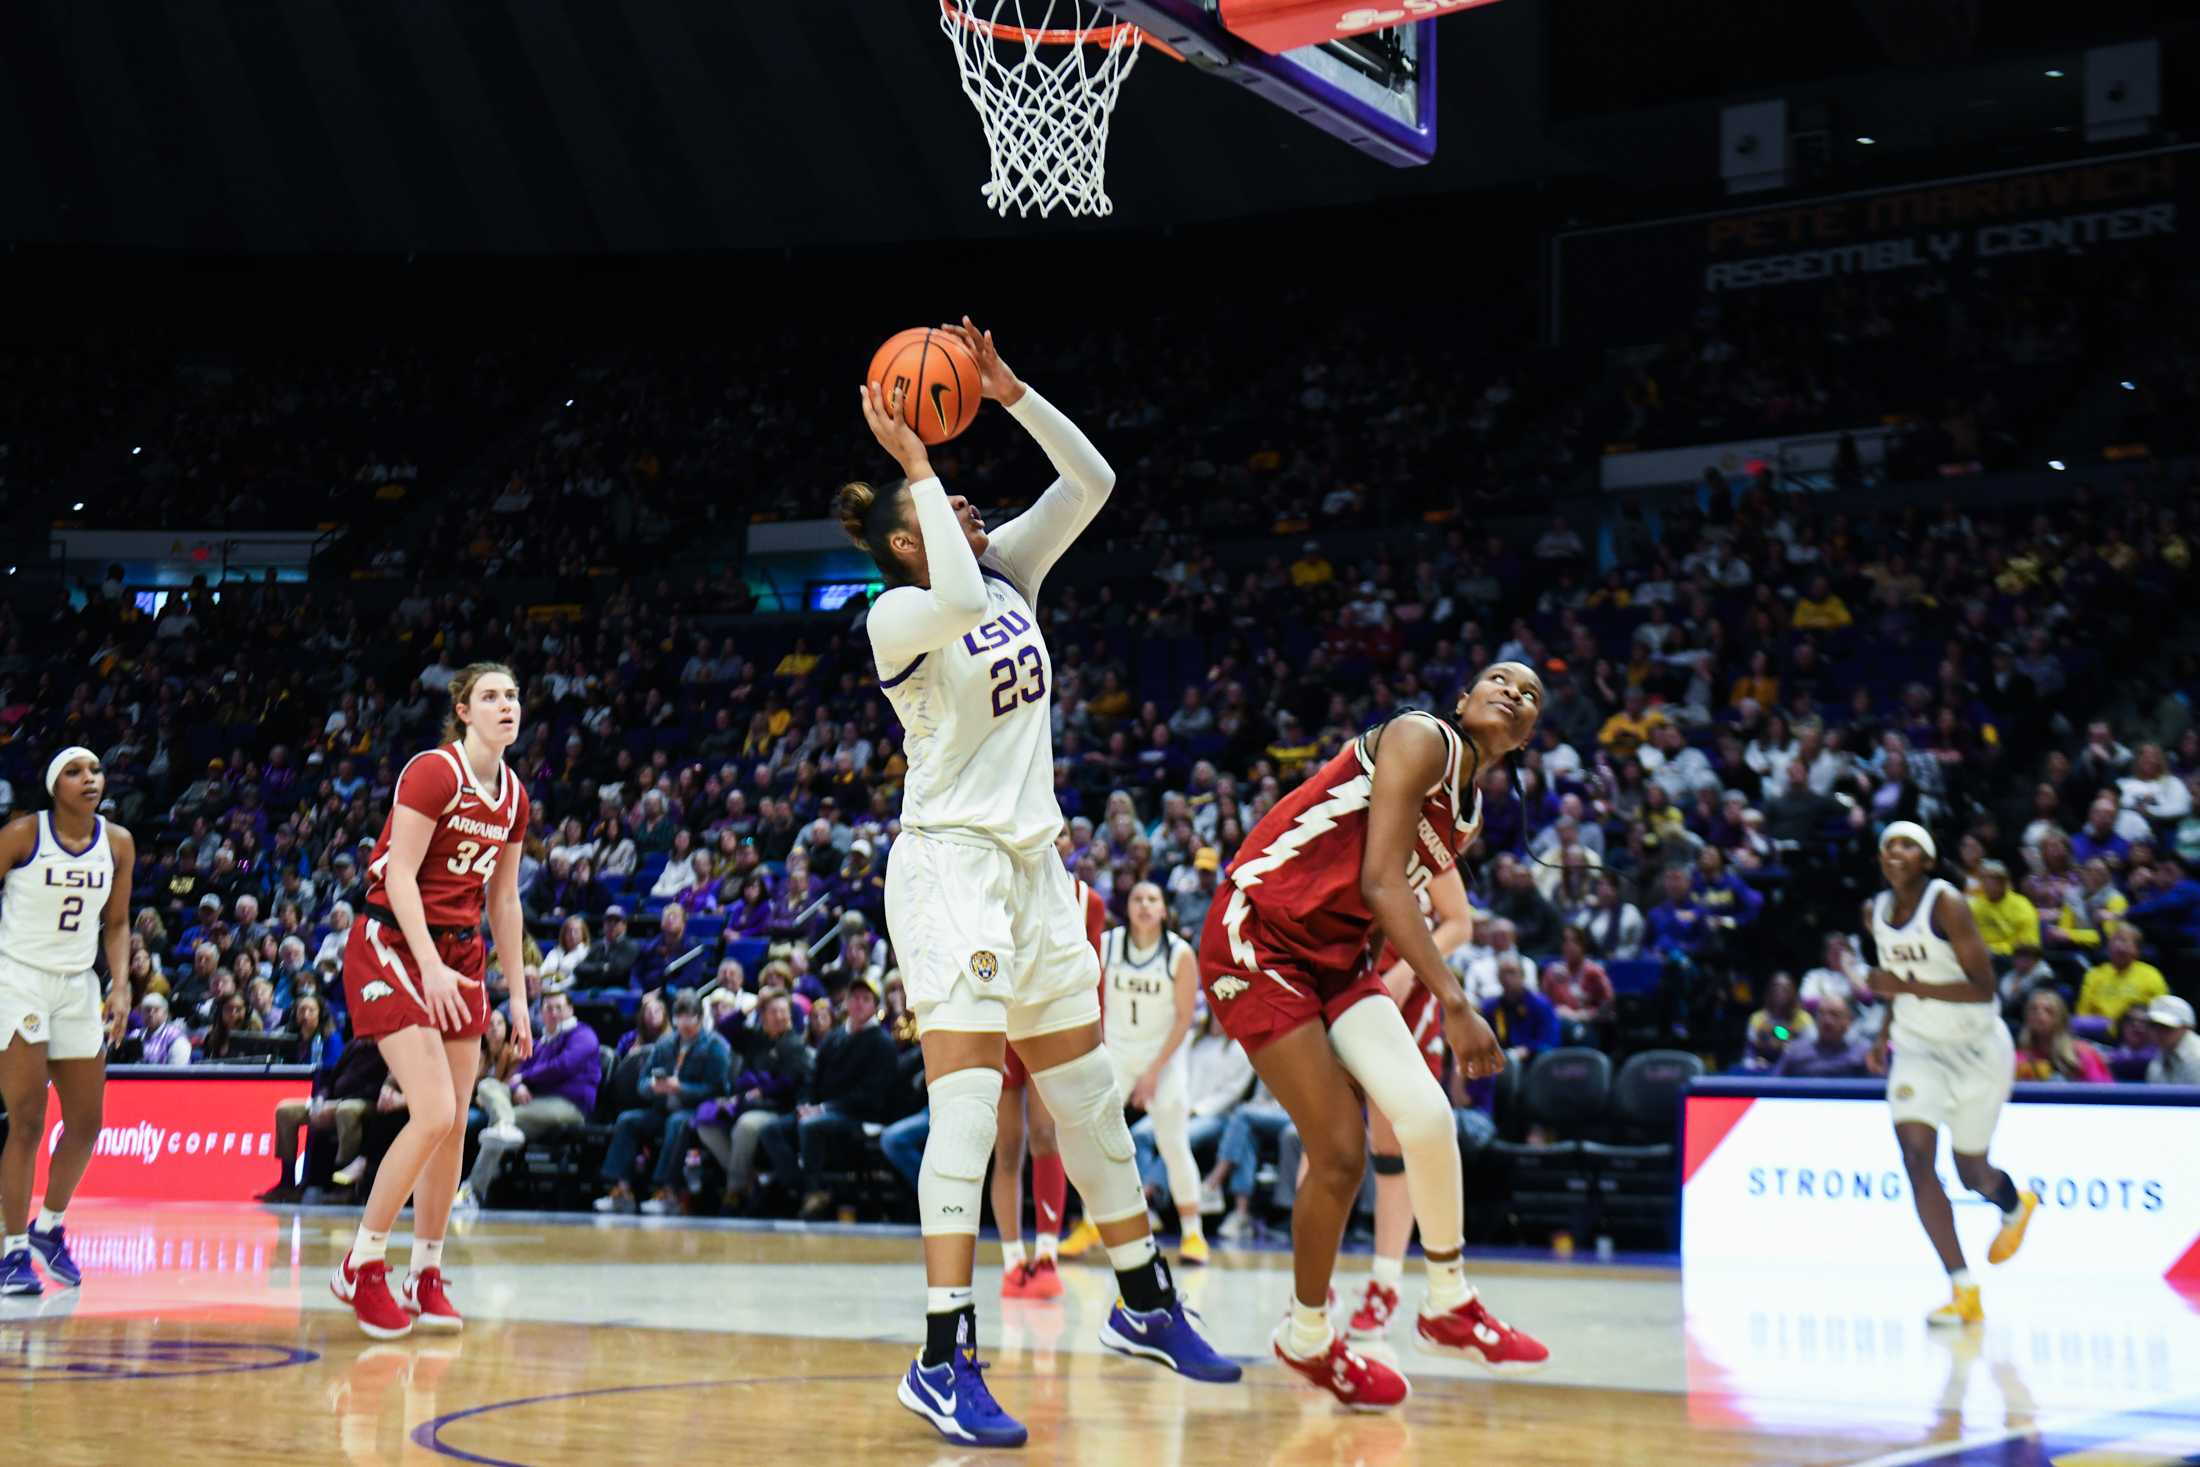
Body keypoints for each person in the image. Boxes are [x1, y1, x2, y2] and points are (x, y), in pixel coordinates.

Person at [839, 319, 1233, 1449]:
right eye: (940, 508)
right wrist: (914, 465)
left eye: (959, 495)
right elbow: (959, 603)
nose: (965, 504)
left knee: (1090, 1100)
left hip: (1032, 869)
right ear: (906, 548)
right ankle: (939, 1355)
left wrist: (1008, 392)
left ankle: (1145, 1303)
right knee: (966, 1111)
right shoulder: (900, 614)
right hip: (948, 871)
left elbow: (1093, 480)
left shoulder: (999, 567)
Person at [1200, 667, 1552, 1410]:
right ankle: (1309, 1334)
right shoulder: (1421, 735)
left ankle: (1448, 1300)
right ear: (1463, 700)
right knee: (1337, 1151)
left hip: (1335, 957)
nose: (1513, 693)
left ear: (1526, 737)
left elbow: (1400, 903)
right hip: (1258, 933)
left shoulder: (1470, 812)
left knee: (1426, 1117)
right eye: (1499, 679)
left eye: (1529, 697)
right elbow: (1382, 883)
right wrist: (1452, 1002)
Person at [331, 664, 534, 1339]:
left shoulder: (513, 796)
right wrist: (429, 967)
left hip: (460, 953)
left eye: (512, 695)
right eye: (491, 696)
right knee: (435, 1109)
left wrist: (521, 1000)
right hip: (392, 938)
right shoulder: (432, 772)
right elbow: (398, 874)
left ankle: (425, 1270)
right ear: (464, 709)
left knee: (453, 1123)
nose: (505, 705)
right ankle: (361, 1264)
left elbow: (504, 901)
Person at [1863, 822, 2037, 1326]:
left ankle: (2014, 1203)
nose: (1896, 851)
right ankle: (1962, 1288)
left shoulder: (1947, 904)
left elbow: (1984, 987)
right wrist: (1883, 1033)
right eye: (1889, 845)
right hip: (1917, 1049)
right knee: (1917, 1158)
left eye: (1908, 845)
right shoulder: (1874, 911)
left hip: (1976, 1047)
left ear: (1928, 861)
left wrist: (1907, 984)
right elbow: (1895, 986)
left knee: (1971, 1172)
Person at [0, 748, 136, 1295]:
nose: (90, 780)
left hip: (79, 983)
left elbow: (119, 920)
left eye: (96, 771)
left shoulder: (118, 842)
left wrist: (120, 984)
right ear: (55, 785)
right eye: (77, 772)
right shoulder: (21, 834)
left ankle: (48, 1228)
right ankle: (11, 1252)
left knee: (86, 1122)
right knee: (27, 1121)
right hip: (20, 978)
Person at [1344, 866, 1473, 1346]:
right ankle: (1310, 1288)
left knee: (1390, 1143)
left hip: (1404, 995)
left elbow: (1459, 922)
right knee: (1320, 1137)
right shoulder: (1340, 823)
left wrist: (1405, 971)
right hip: (1338, 986)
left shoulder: (1426, 834)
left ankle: (1385, 1284)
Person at [1062, 881, 1205, 1265]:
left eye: (1152, 898)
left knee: (1174, 1143)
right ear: (1128, 907)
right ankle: (1092, 1224)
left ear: (1164, 909)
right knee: (1096, 1140)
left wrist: (1153, 1072)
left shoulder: (1179, 954)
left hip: (1165, 1055)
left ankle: (1193, 1235)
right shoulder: (1108, 945)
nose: (1144, 904)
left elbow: (1185, 1018)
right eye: (1138, 899)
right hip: (1118, 1052)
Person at [996, 875, 1101, 1300]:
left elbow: (1094, 977)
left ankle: (1046, 1255)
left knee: (1045, 1134)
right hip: (1003, 1020)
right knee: (1006, 1146)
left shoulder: (1085, 900)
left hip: (1049, 1021)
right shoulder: (996, 882)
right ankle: (1011, 1260)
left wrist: (1094, 1038)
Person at [457, 989, 600, 1210]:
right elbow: (516, 1076)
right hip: (534, 1101)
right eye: (548, 1008)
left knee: (508, 1120)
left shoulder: (584, 1035)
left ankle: (473, 1191)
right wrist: (517, 1085)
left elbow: (562, 1067)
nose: (553, 1013)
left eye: (558, 1008)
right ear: (541, 1013)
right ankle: (504, 1124)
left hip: (570, 1106)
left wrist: (524, 1079)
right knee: (488, 1085)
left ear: (570, 1009)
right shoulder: (542, 1041)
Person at [2075, 925, 2169, 1027]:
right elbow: (2082, 1014)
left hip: (2136, 1030)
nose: (2118, 946)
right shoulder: (2094, 974)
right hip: (2098, 1030)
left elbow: (2161, 1013)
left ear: (2137, 950)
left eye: (2124, 941)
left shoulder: (2151, 975)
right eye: (2114, 941)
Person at [2011, 989, 2110, 1083]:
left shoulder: (2084, 1053)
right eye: (2033, 1009)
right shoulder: (2018, 1058)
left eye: (2048, 1010)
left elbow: (2103, 1093)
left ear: (2060, 1019)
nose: (2039, 1013)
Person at [1772, 993, 1870, 1077]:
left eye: (1834, 1015)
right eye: (1822, 1014)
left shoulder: (1862, 1054)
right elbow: (1772, 1087)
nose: (1827, 1021)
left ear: (1848, 1021)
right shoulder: (1795, 1052)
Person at [2144, 995, 2200, 1084]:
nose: (2158, 1032)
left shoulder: (2197, 1057)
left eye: (2166, 1026)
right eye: (2154, 1025)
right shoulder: (2157, 1060)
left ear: (2186, 1027)